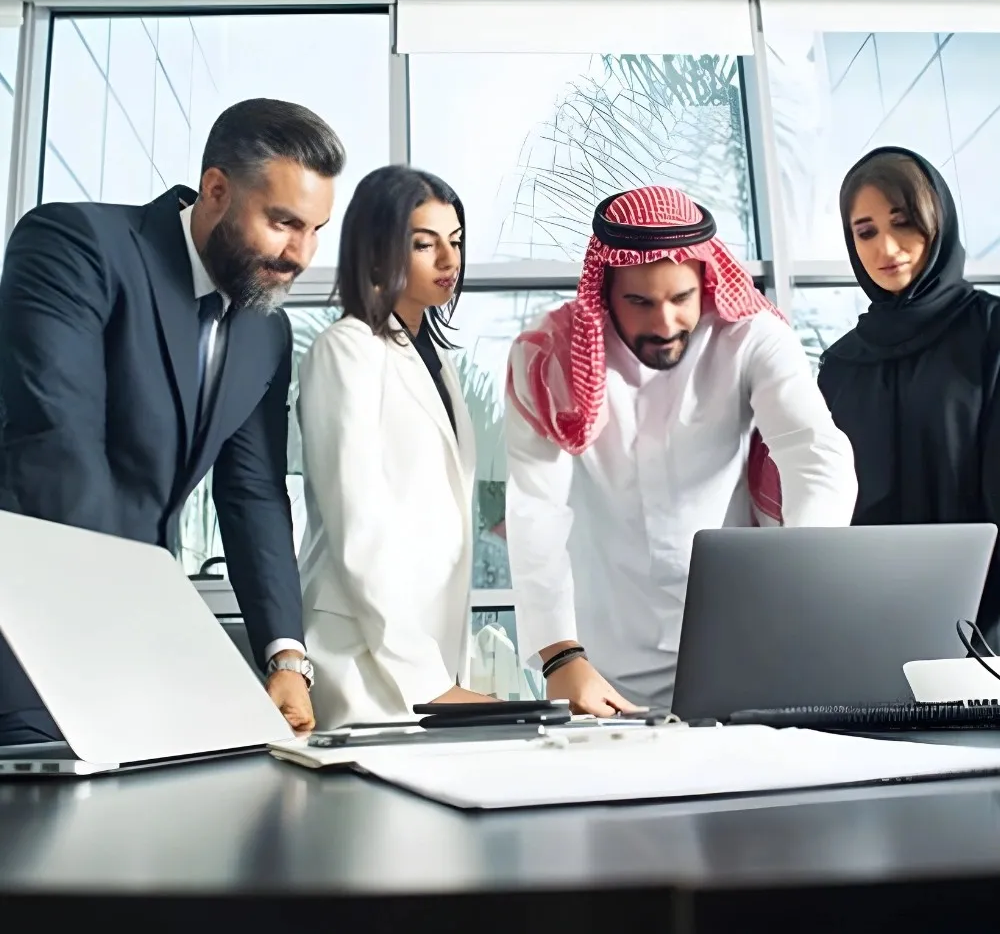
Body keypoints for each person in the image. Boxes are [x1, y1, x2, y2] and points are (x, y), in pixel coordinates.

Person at [0, 97, 345, 743]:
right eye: (283, 223)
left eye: (316, 230)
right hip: (26, 642)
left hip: (137, 657)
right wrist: (145, 634)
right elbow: (59, 444)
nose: (301, 253)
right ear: (216, 190)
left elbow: (253, 493)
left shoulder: (265, 333)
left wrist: (286, 658)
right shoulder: (75, 245)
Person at [504, 184, 858, 715]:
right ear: (606, 289)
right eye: (640, 302)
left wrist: (800, 583)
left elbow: (815, 454)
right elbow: (537, 509)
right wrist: (559, 655)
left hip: (744, 650)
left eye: (681, 299)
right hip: (601, 666)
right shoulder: (549, 356)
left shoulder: (750, 337)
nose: (664, 323)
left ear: (705, 282)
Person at [296, 165, 496, 729]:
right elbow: (358, 525)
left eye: (456, 241)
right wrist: (428, 683)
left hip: (425, 652)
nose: (449, 259)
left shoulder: (438, 362)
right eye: (424, 244)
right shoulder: (347, 349)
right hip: (362, 655)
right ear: (378, 251)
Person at [818, 146, 1000, 650]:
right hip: (868, 625)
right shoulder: (841, 365)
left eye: (903, 223)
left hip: (985, 626)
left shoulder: (990, 334)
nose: (887, 247)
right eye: (866, 231)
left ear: (936, 220)